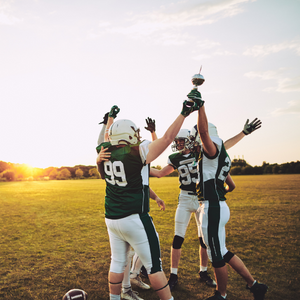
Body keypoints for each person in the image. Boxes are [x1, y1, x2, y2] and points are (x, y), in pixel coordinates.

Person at [96, 100, 200, 300]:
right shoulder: (137, 152)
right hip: (134, 217)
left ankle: (115, 298)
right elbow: (168, 137)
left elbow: (105, 137)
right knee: (154, 265)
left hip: (112, 218)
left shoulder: (104, 151)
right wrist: (183, 113)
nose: (138, 136)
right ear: (129, 135)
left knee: (117, 262)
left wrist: (109, 120)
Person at [187, 89, 268, 300]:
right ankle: (255, 285)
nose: (196, 141)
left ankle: (221, 295)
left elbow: (204, 134)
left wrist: (200, 107)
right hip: (218, 205)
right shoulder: (220, 153)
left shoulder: (210, 149)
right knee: (222, 251)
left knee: (217, 255)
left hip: (212, 207)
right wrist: (244, 133)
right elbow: (230, 183)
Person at [97, 109, 158, 300]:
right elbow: (157, 160)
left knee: (122, 256)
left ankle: (126, 286)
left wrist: (109, 121)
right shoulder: (135, 154)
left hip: (118, 212)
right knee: (140, 255)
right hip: (132, 212)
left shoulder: (130, 153)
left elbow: (104, 142)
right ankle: (130, 282)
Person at [150, 128, 216, 290]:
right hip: (185, 199)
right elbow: (159, 173)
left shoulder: (200, 153)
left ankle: (203, 271)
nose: (178, 143)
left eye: (181, 140)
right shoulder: (175, 158)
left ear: (190, 140)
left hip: (202, 199)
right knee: (178, 238)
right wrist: (141, 167)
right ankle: (173, 275)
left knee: (203, 239)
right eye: (177, 141)